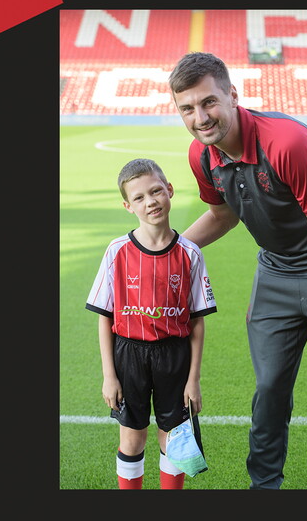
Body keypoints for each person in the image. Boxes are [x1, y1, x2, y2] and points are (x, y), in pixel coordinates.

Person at [169, 52, 307, 489]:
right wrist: (169, 250)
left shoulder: (287, 144)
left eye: (208, 102)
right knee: (269, 394)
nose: (200, 117)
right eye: (187, 108)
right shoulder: (202, 155)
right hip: (276, 271)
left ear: (233, 96)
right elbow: (222, 215)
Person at [85, 158, 217, 489]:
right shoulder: (117, 251)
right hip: (128, 354)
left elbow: (198, 322)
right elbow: (105, 316)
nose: (151, 202)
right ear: (128, 206)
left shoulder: (190, 253)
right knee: (132, 440)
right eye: (140, 198)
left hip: (174, 355)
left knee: (173, 439)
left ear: (169, 190)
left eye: (156, 191)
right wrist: (108, 375)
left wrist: (194, 379)